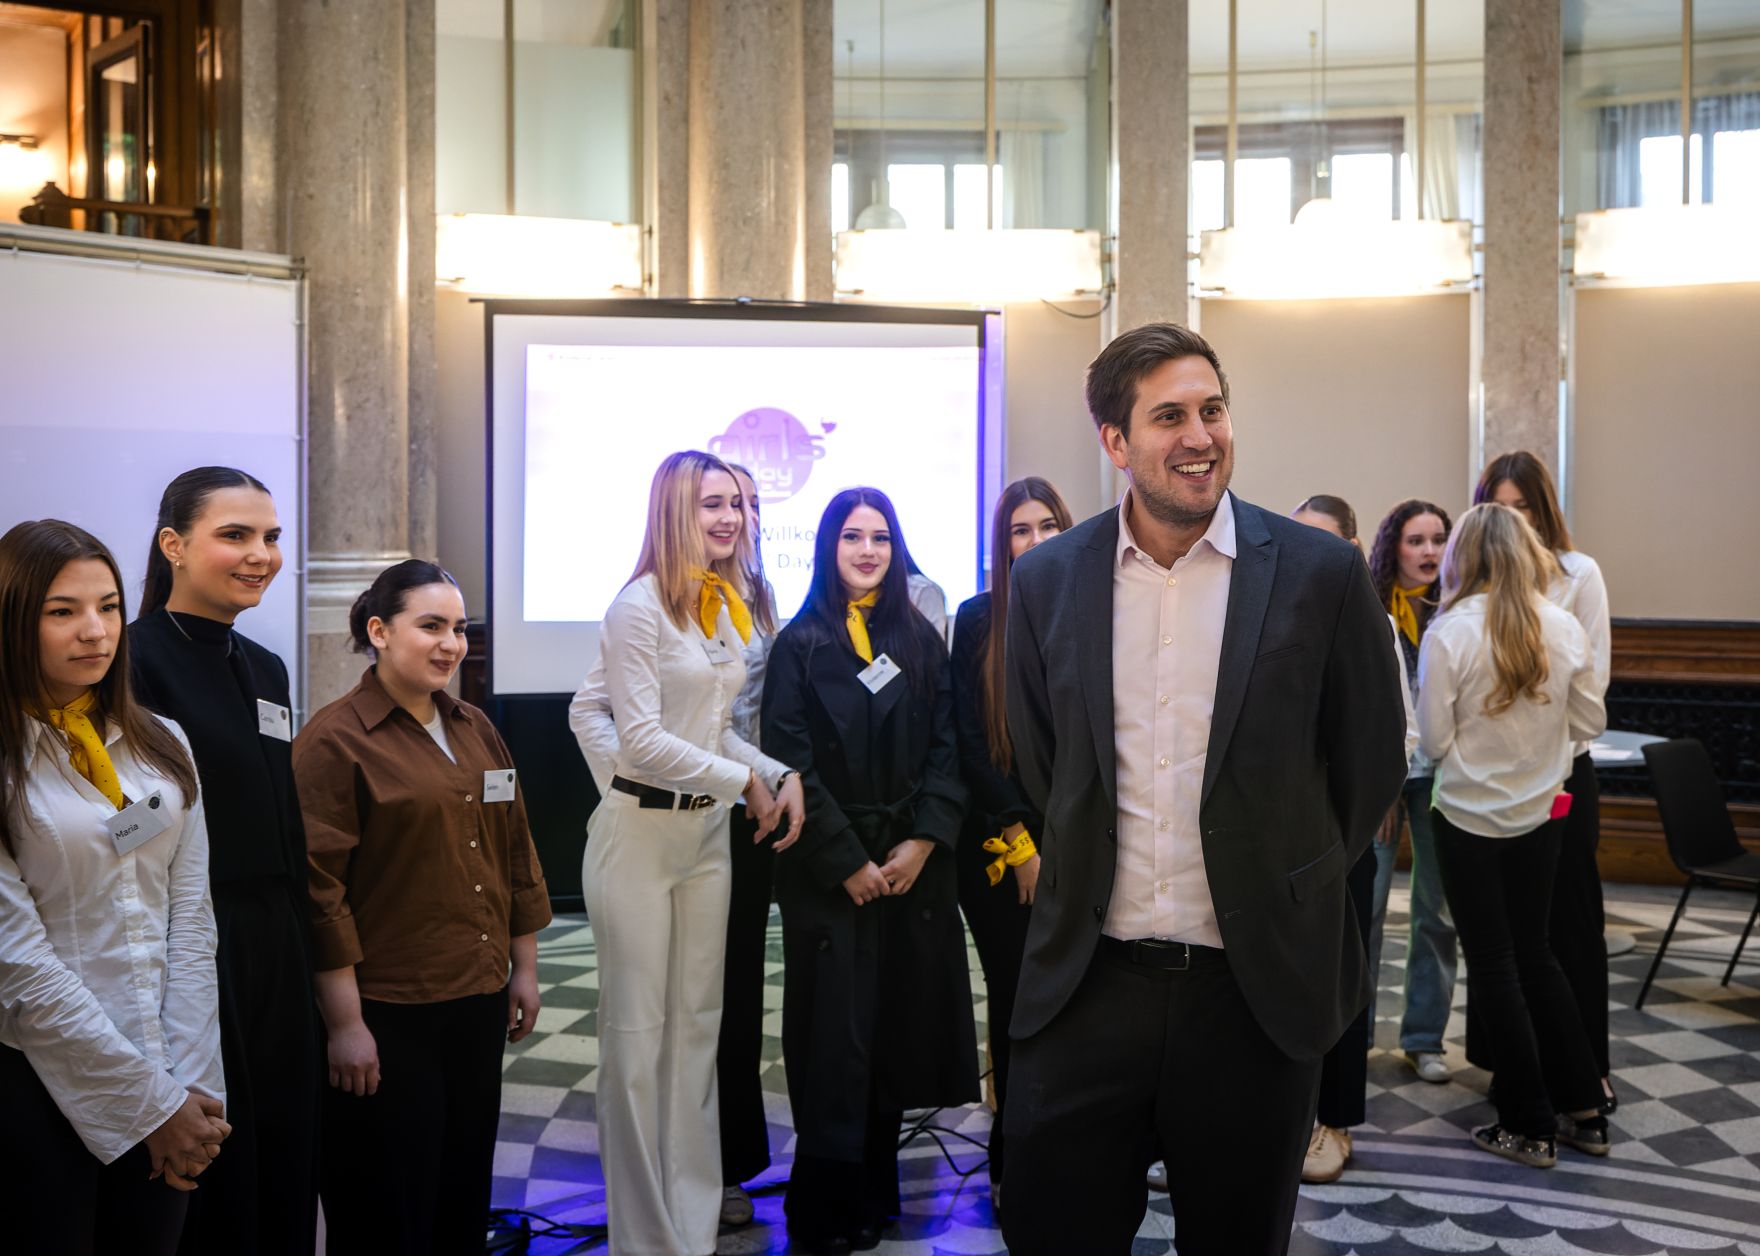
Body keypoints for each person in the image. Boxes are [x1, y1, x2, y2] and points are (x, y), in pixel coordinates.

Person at [999, 324, 1408, 1255]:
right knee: (1055, 1233)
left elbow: (1369, 764)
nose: (1200, 436)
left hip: (1252, 993)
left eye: (1213, 410)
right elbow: (1041, 759)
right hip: (1087, 988)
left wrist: (1283, 876)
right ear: (1115, 442)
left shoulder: (1323, 575)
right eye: (1170, 416)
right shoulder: (1051, 579)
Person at [578, 450, 804, 1256]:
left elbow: (716, 729)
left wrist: (777, 769)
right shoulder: (637, 606)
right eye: (713, 504)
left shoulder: (717, 606)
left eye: (737, 507)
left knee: (698, 1032)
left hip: (706, 839)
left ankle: (694, 1217)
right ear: (676, 508)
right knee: (637, 1041)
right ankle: (645, 1236)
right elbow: (632, 734)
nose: (730, 519)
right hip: (641, 841)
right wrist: (739, 781)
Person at [292, 559, 552, 1255]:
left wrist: (522, 967)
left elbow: (514, 849)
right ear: (378, 631)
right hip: (387, 1008)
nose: (451, 644)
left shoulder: (473, 726)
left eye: (459, 629)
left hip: (475, 993)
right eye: (430, 626)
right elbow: (320, 891)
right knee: (386, 1202)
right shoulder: (333, 740)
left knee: (460, 1187)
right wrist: (345, 1024)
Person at [0, 519, 230, 1256]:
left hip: (167, 1067)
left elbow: (190, 921)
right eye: (62, 611)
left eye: (107, 606)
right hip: (36, 1083)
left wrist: (188, 1088)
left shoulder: (162, 741)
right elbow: (18, 965)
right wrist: (148, 1106)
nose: (95, 631)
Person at [761, 487, 976, 1254]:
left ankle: (877, 1196)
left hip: (911, 872)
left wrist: (923, 843)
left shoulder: (920, 639)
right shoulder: (801, 644)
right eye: (852, 537)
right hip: (831, 877)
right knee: (833, 1044)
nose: (867, 550)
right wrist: (845, 858)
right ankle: (820, 1210)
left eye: (880, 537)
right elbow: (789, 758)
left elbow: (951, 748)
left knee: (892, 1036)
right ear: (828, 546)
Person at [129, 467, 319, 1255]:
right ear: (174, 546)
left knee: (285, 1149)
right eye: (235, 536)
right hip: (192, 941)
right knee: (216, 1163)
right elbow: (119, 826)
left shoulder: (265, 665)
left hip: (277, 936)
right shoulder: (130, 663)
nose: (262, 555)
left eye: (271, 537)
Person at [1415, 503, 1610, 1167]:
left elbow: (1435, 741)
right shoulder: (1561, 627)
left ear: (1460, 558)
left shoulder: (1450, 633)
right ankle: (1586, 1105)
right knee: (1537, 954)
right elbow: (1590, 719)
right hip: (1542, 813)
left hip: (1468, 817)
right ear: (1529, 554)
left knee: (1493, 962)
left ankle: (1528, 1124)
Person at [1473, 451, 1615, 1110]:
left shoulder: (1577, 573)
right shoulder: (1476, 581)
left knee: (1569, 926)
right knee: (1502, 934)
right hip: (1491, 781)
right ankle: (1514, 1067)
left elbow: (1592, 686)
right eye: (1499, 506)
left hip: (1560, 774)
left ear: (1543, 509)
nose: (1512, 519)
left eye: (1521, 506)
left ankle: (1585, 1067)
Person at [948, 475, 1072, 1211]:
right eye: (1019, 530)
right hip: (998, 852)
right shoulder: (975, 618)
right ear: (1002, 545)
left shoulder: (1097, 609)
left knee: (1083, 1005)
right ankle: (1011, 1162)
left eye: (1047, 526)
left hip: (1080, 844)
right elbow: (968, 742)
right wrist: (1020, 839)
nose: (1033, 541)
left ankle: (1082, 1147)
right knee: (1019, 1003)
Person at [1288, 495, 1419, 1185]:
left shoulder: (1375, 626)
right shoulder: (1268, 617)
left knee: (1344, 976)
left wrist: (1347, 828)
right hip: (1277, 843)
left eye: (1324, 543)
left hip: (1343, 838)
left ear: (1350, 547)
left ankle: (1331, 1119)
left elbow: (1398, 739)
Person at [1367, 498, 1458, 1085]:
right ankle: (1350, 1034)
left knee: (1437, 913)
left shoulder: (1459, 609)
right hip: (1378, 779)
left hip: (1442, 774)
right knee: (1365, 909)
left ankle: (1424, 1038)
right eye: (1415, 540)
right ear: (1392, 547)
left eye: (1438, 540)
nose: (1428, 552)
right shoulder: (1371, 608)